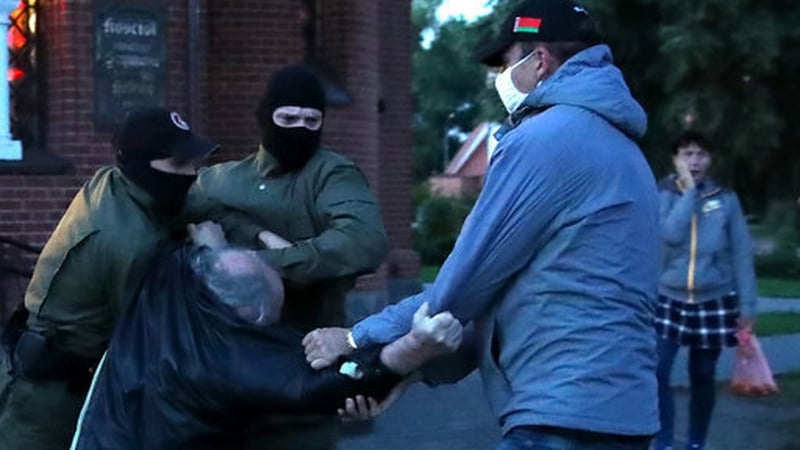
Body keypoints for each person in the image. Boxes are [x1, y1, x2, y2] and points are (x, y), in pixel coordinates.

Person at [304, 1, 660, 449]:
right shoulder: (624, 150)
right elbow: (503, 298)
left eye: (505, 63)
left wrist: (357, 338)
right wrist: (402, 374)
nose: (498, 77)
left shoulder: (543, 141)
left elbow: (460, 289)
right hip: (620, 414)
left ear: (541, 62)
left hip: (560, 416)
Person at [70, 246, 462, 450]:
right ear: (252, 316)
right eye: (273, 319)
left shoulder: (171, 277)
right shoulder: (218, 360)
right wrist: (413, 348)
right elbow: (326, 383)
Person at [184, 64, 388, 448]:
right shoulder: (221, 179)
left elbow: (363, 242)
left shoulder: (331, 173)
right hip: (223, 375)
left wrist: (256, 269)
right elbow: (190, 212)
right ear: (266, 117)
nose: (299, 129)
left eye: (312, 120)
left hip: (302, 370)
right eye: (288, 117)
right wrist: (256, 234)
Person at [0, 108, 220, 449]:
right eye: (180, 165)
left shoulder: (115, 182)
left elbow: (195, 203)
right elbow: (158, 337)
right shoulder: (130, 244)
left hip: (43, 370)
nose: (192, 174)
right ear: (142, 165)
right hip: (52, 399)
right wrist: (212, 258)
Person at [652, 131, 757, 450]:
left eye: (700, 154)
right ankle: (665, 440)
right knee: (657, 372)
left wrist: (748, 308)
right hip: (668, 297)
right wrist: (689, 192)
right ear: (675, 160)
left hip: (714, 299)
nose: (694, 161)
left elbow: (741, 253)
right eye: (687, 154)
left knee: (703, 376)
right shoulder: (662, 193)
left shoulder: (725, 199)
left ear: (710, 160)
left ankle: (696, 441)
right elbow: (669, 234)